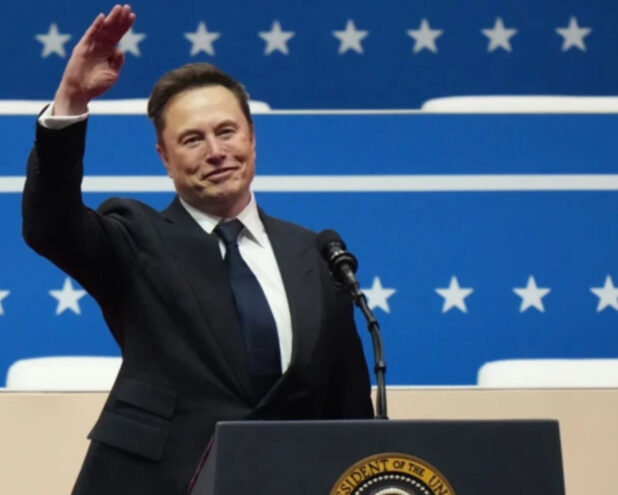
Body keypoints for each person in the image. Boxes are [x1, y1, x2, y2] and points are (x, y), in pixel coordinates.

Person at [22, 5, 373, 494]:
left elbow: (348, 406)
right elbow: (50, 225)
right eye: (192, 139)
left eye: (226, 131)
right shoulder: (135, 238)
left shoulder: (315, 254)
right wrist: (71, 99)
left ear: (252, 137)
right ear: (165, 158)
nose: (216, 152)